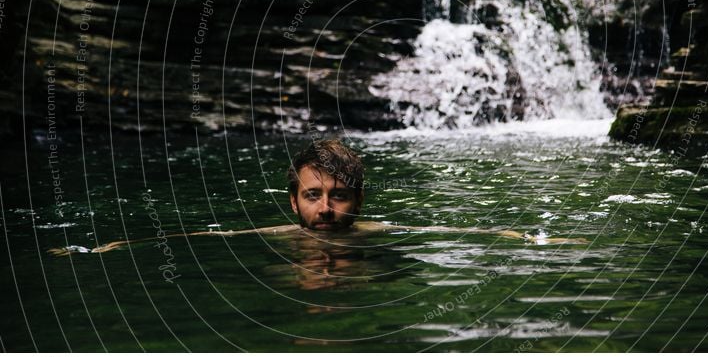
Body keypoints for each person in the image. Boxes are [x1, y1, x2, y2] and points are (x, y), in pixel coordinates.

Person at [49, 139, 584, 256]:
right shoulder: (274, 235)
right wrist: (109, 248)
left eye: (339, 197)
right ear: (293, 201)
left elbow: (464, 233)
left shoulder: (378, 235)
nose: (325, 209)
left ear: (360, 202)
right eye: (313, 196)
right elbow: (195, 236)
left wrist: (529, 236)